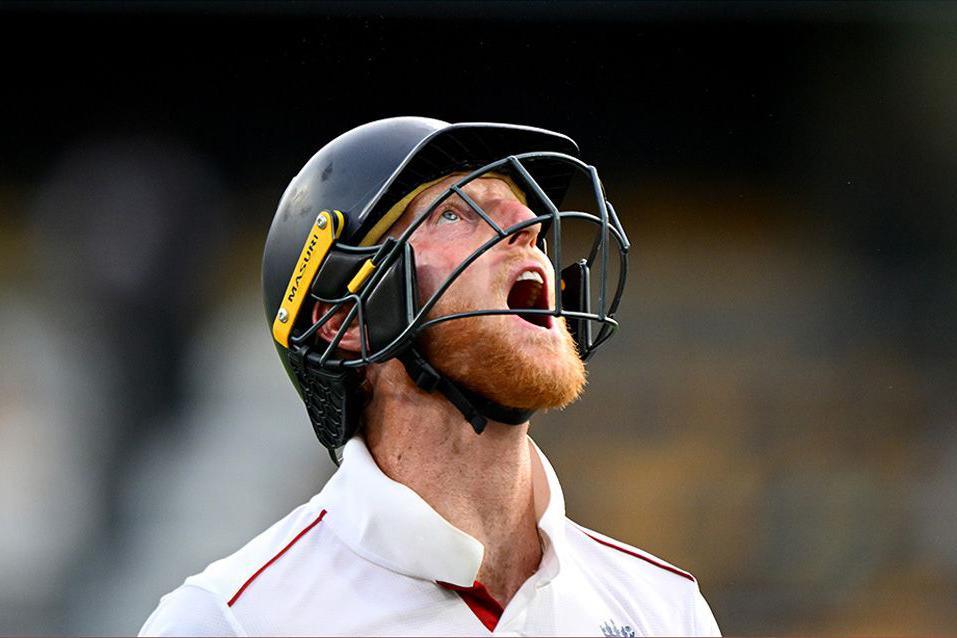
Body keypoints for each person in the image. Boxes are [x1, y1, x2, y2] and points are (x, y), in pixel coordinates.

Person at [139, 117, 721, 636]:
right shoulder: (231, 621)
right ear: (347, 319)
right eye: (454, 212)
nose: (529, 225)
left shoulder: (667, 611)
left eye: (524, 210)